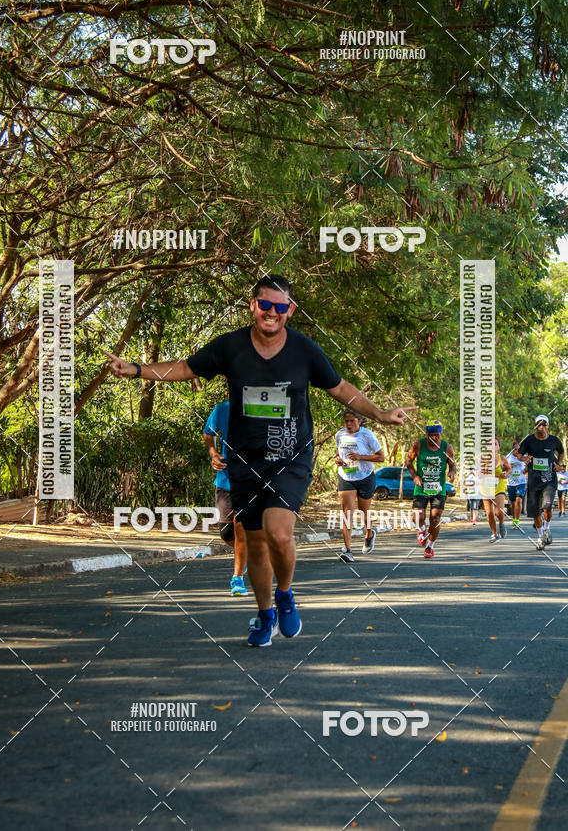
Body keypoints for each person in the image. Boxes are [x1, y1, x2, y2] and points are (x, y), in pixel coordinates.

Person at [105, 274, 415, 647]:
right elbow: (186, 367)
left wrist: (380, 414)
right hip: (245, 461)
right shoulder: (231, 346)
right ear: (253, 306)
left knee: (279, 532)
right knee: (254, 543)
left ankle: (285, 595)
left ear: (290, 311)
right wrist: (136, 369)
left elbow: (341, 388)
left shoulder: (304, 350)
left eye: (280, 307)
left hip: (290, 458)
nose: (272, 313)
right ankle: (264, 615)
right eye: (265, 305)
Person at [203, 400, 248, 596]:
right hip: (225, 479)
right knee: (227, 534)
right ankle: (247, 555)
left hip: (250, 480)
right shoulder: (222, 409)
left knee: (241, 527)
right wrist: (213, 453)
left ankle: (237, 578)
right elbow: (208, 433)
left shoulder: (261, 408)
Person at [334, 409, 384, 562]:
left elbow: (381, 457)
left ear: (360, 421)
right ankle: (348, 550)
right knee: (346, 513)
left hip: (365, 476)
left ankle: (369, 534)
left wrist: (360, 457)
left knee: (364, 511)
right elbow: (338, 453)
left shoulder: (367, 435)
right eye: (346, 421)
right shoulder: (339, 435)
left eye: (352, 421)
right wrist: (337, 459)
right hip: (346, 476)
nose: (349, 424)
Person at [406, 420, 455, 559]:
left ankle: (430, 547)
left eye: (436, 435)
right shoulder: (418, 445)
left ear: (441, 434)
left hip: (438, 489)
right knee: (417, 516)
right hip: (421, 487)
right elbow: (408, 462)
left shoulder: (447, 448)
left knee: (435, 519)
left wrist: (452, 472)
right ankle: (421, 530)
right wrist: (415, 476)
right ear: (426, 434)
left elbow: (452, 465)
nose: (434, 438)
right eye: (430, 435)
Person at [518, 414, 565, 550]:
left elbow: (561, 452)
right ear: (536, 426)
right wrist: (524, 459)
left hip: (549, 478)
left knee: (547, 507)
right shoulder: (529, 440)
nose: (542, 427)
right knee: (535, 512)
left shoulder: (554, 440)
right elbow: (519, 454)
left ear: (548, 426)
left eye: (545, 424)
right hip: (534, 480)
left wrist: (559, 464)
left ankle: (547, 529)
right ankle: (540, 537)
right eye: (539, 424)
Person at [483, 439, 510, 542]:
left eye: (495, 444)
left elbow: (508, 469)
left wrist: (505, 474)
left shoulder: (502, 458)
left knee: (498, 512)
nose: (492, 446)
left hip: (499, 487)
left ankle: (501, 523)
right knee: (489, 513)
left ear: (498, 447)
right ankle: (494, 534)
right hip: (486, 488)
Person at [505, 441, 527, 531]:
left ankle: (517, 520)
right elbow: (503, 468)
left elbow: (526, 470)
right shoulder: (508, 458)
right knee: (513, 503)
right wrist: (509, 466)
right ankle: (514, 520)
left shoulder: (523, 458)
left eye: (519, 449)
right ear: (513, 449)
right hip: (511, 483)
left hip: (521, 482)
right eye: (516, 449)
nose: (517, 451)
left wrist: (526, 469)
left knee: (519, 500)